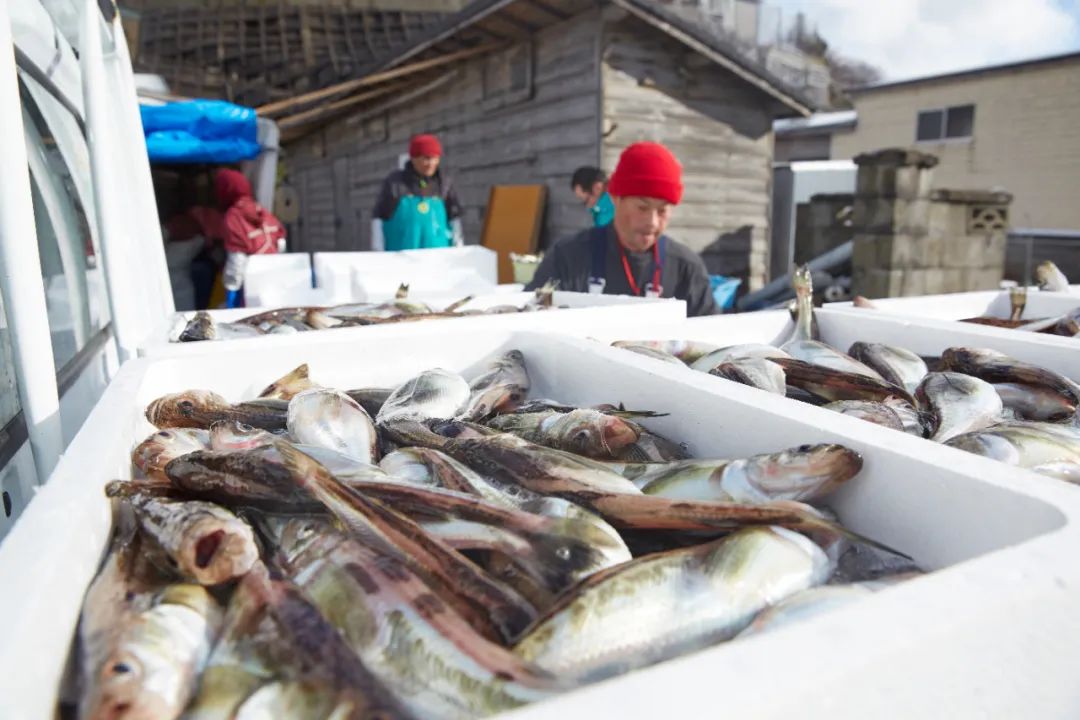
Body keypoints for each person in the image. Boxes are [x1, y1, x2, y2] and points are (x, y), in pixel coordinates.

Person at [526, 142, 716, 317]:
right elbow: (528, 318)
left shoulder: (686, 268)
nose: (653, 222)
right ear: (616, 198)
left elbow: (714, 338)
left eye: (662, 211)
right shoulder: (567, 258)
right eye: (642, 208)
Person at [372, 134, 464, 251]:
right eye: (426, 158)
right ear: (414, 158)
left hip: (439, 261)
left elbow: (454, 220)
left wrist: (459, 249)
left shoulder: (444, 184)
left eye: (435, 158)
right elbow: (379, 218)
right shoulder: (395, 183)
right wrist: (378, 251)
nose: (431, 163)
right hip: (401, 261)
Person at [216, 168, 287, 308]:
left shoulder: (233, 216)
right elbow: (281, 243)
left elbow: (236, 260)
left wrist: (231, 290)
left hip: (251, 286)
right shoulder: (262, 211)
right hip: (275, 280)